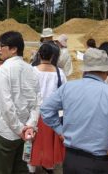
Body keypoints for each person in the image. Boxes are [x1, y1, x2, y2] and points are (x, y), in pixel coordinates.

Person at [41, 48, 108, 174]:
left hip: (72, 161)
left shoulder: (68, 88)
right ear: (107, 71)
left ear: (85, 70)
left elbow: (46, 109)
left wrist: (60, 130)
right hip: (101, 163)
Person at [0, 31, 41, 174]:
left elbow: (6, 106)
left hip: (5, 132)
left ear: (14, 49)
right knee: (21, 169)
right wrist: (30, 126)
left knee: (3, 170)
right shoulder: (31, 69)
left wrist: (20, 130)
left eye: (2, 46)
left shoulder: (3, 70)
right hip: (26, 133)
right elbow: (37, 101)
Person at [29, 43, 66, 174]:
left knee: (33, 140)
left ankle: (31, 166)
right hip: (52, 113)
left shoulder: (32, 70)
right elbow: (63, 93)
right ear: (52, 56)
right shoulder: (59, 73)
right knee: (49, 142)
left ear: (39, 55)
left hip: (34, 112)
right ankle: (49, 166)